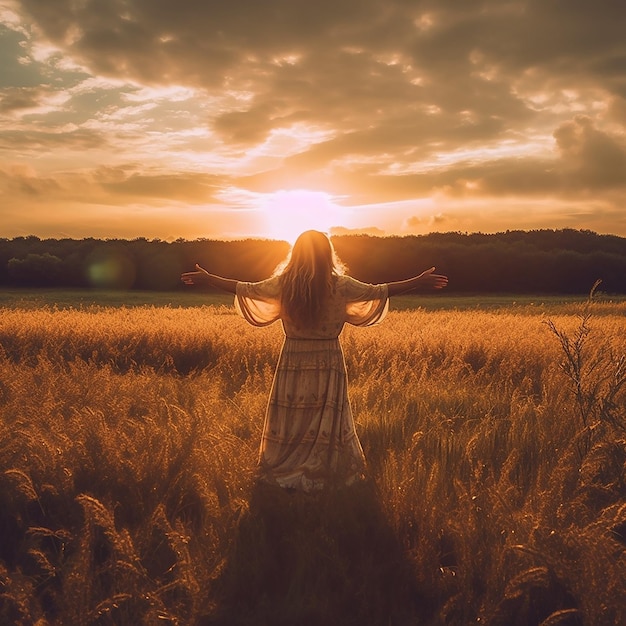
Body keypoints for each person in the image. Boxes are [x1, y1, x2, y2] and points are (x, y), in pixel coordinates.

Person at [181, 230, 448, 492]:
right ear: (327, 254)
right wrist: (417, 281)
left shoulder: (285, 283)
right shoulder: (341, 285)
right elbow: (380, 292)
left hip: (293, 358)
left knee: (293, 414)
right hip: (328, 359)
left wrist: (208, 278)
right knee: (326, 413)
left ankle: (286, 462)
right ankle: (324, 464)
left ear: (296, 253)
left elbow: (244, 288)